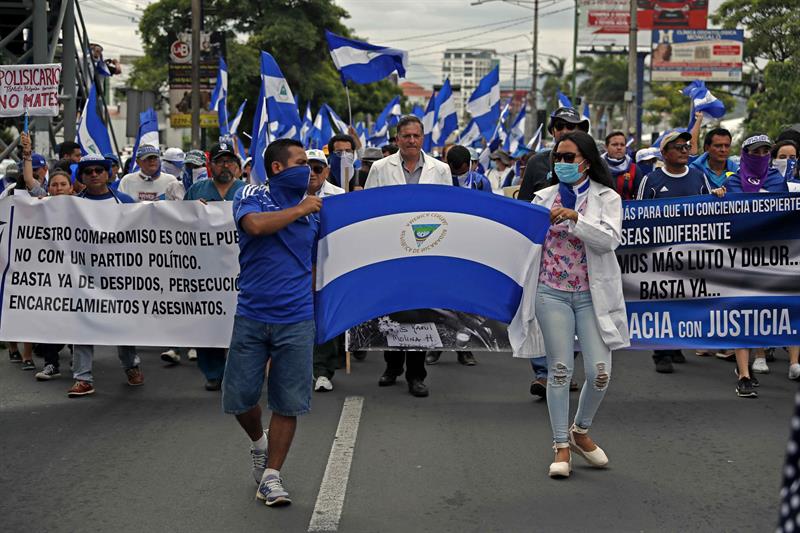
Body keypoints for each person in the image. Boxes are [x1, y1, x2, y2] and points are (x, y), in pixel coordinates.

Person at [225, 138, 321, 507]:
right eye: (302, 162)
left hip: (296, 319)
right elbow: (255, 227)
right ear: (279, 168)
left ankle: (272, 476)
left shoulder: (317, 209)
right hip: (252, 315)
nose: (309, 169)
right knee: (239, 399)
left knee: (288, 402)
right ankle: (259, 443)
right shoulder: (253, 194)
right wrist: (300, 210)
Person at [529, 131, 629, 478]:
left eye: (569, 157)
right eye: (558, 157)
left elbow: (609, 240)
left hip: (592, 295)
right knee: (560, 370)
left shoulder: (607, 198)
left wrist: (575, 218)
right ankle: (560, 446)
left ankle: (580, 431)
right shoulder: (542, 198)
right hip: (550, 291)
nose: (562, 163)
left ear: (586, 160)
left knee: (600, 373)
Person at [365, 115, 452, 397]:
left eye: (416, 136)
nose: (411, 141)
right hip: (391, 250)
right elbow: (368, 208)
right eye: (406, 136)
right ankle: (392, 366)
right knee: (391, 310)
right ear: (397, 139)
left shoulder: (440, 169)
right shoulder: (380, 168)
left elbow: (448, 210)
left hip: (426, 248)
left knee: (420, 312)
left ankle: (416, 374)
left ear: (423, 138)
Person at [637, 130, 714, 374]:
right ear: (664, 152)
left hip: (691, 252)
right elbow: (639, 216)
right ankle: (661, 352)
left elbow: (711, 213)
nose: (684, 150)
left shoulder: (699, 177)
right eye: (678, 147)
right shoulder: (651, 180)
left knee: (685, 299)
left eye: (686, 146)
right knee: (662, 301)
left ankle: (676, 343)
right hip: (660, 255)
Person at [68, 155, 139, 398]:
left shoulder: (126, 202)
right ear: (82, 177)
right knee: (82, 325)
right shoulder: (73, 204)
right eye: (88, 171)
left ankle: (131, 366)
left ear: (109, 173)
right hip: (84, 276)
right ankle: (82, 378)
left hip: (120, 278)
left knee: (123, 326)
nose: (95, 174)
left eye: (100, 170)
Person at [179, 142, 245, 390]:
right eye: (220, 161)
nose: (225, 165)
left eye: (229, 161)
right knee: (208, 319)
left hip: (239, 268)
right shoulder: (197, 190)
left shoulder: (246, 191)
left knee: (239, 322)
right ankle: (213, 372)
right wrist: (195, 212)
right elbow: (180, 224)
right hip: (204, 268)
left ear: (237, 167)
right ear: (211, 166)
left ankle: (238, 371)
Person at [305, 149, 345, 392]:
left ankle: (322, 370)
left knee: (323, 317)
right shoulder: (290, 196)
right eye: (307, 167)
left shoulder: (339, 196)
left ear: (327, 171)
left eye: (318, 168)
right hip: (298, 266)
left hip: (329, 265)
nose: (312, 173)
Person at [518, 107, 590, 201]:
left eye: (570, 126)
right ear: (553, 132)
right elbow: (525, 204)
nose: (565, 131)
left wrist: (577, 216)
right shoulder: (536, 162)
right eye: (559, 126)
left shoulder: (593, 161)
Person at [602, 131, 639, 200]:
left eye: (622, 145)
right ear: (606, 147)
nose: (619, 148)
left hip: (627, 209)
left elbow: (639, 198)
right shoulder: (597, 167)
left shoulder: (634, 169)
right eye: (615, 144)